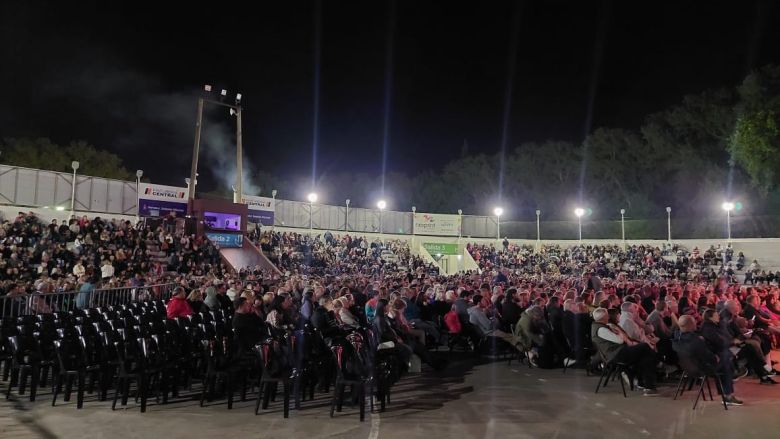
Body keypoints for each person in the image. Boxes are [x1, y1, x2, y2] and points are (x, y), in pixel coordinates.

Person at [673, 315, 742, 405]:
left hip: (687, 367)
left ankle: (732, 377)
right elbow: (709, 357)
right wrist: (715, 358)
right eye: (694, 322)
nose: (695, 324)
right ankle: (728, 397)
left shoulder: (677, 336)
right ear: (690, 325)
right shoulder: (695, 341)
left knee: (724, 359)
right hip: (701, 368)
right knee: (726, 366)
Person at [591, 307, 659, 396]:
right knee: (645, 347)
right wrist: (618, 332)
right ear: (604, 318)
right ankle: (651, 377)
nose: (608, 317)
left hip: (618, 352)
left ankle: (646, 385)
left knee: (645, 357)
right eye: (607, 315)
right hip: (616, 354)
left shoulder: (600, 326)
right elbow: (619, 340)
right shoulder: (601, 329)